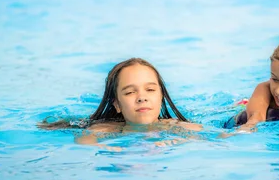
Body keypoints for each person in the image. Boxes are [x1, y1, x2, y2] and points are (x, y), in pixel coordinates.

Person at [38, 58, 202, 149]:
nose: (141, 97)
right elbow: (85, 142)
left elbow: (215, 138)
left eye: (150, 90)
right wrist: (105, 148)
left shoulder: (177, 127)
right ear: (116, 104)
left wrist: (180, 141)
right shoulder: (106, 129)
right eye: (130, 92)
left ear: (161, 97)